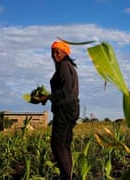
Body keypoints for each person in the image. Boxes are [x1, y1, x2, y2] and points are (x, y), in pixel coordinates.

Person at [38, 40, 79, 180]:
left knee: (58, 143)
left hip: (65, 109)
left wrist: (48, 97)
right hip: (71, 108)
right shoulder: (69, 67)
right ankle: (67, 176)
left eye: (58, 52)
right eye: (52, 52)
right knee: (64, 144)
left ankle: (66, 177)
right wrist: (47, 98)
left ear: (65, 53)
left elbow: (66, 91)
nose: (55, 55)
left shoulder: (63, 66)